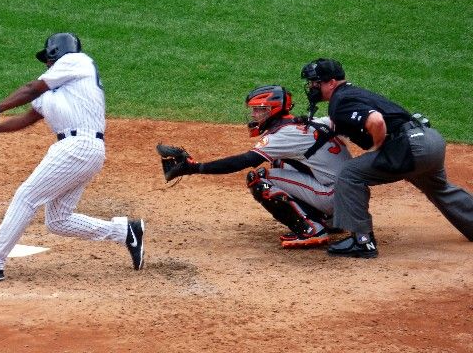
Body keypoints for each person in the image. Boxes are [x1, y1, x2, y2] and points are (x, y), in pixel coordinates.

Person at [0, 32, 144, 281]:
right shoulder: (56, 90)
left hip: (78, 147)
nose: (46, 64)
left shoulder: (76, 61)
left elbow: (30, 89)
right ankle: (124, 231)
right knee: (58, 220)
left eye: (48, 58)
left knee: (26, 197)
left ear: (56, 53)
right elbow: (27, 119)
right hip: (82, 151)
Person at [300, 58, 473, 258]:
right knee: (438, 188)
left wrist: (378, 145)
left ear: (331, 82)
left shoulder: (340, 101)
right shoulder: (351, 93)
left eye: (316, 83)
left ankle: (362, 241)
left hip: (410, 147)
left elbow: (376, 121)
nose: (312, 87)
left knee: (349, 174)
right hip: (430, 141)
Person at [160, 85, 352, 248]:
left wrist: (196, 167)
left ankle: (312, 230)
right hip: (349, 199)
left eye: (259, 109)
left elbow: (244, 161)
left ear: (272, 110)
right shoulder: (310, 123)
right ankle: (329, 220)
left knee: (259, 178)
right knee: (280, 163)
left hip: (333, 196)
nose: (253, 114)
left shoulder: (283, 136)